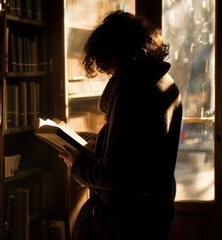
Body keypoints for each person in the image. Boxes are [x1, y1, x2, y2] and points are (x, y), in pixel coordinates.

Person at [59, 10, 183, 240]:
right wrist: (98, 141)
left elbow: (115, 175)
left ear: (112, 54)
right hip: (154, 212)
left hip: (128, 222)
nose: (107, 72)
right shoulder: (163, 82)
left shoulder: (131, 92)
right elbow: (140, 149)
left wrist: (76, 164)